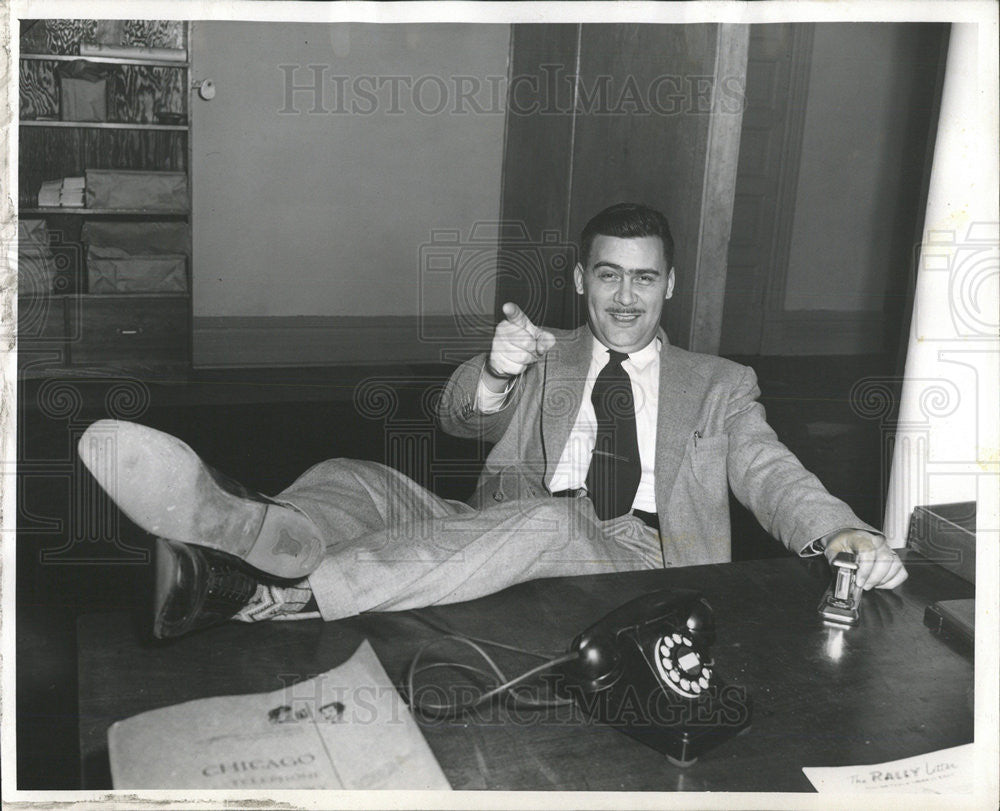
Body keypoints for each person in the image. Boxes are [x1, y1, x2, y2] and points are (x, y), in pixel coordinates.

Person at [78, 203, 907, 638]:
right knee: (352, 476)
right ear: (582, 280)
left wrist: (842, 534)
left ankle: (290, 587)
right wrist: (494, 371)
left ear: (671, 286)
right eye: (609, 276)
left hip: (632, 559)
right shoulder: (545, 351)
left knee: (548, 519)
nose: (625, 298)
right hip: (487, 524)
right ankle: (257, 527)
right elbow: (453, 420)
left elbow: (772, 474)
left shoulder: (720, 384)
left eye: (644, 280)